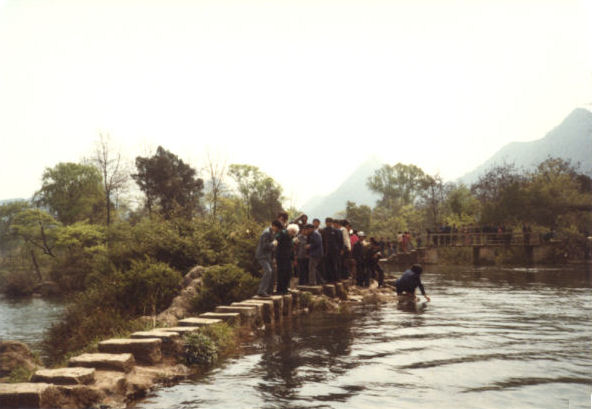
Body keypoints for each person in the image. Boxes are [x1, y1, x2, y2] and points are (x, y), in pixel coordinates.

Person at [255, 220, 282, 297]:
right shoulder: (266, 233)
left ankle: (269, 290)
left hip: (267, 256)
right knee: (268, 271)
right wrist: (273, 244)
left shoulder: (271, 232)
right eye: (277, 228)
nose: (277, 230)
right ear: (274, 226)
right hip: (262, 256)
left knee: (273, 271)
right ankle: (261, 291)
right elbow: (265, 246)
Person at [275, 223, 299, 294]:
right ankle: (280, 289)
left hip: (287, 258)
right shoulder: (283, 233)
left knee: (288, 273)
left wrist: (293, 259)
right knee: (281, 273)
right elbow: (276, 239)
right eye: (293, 232)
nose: (293, 234)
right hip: (281, 257)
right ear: (290, 230)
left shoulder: (290, 238)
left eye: (294, 233)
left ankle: (285, 288)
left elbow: (291, 249)